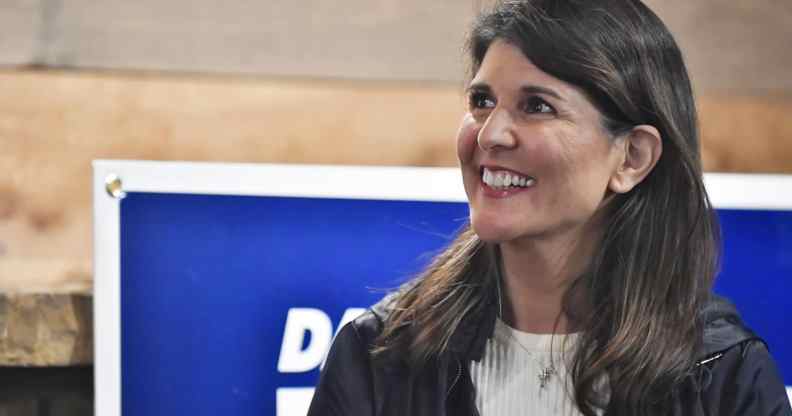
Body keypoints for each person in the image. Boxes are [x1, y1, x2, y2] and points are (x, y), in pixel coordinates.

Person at [307, 1, 792, 415]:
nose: (491, 134)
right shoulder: (377, 355)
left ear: (632, 157)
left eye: (537, 106)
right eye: (481, 100)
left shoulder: (725, 377)